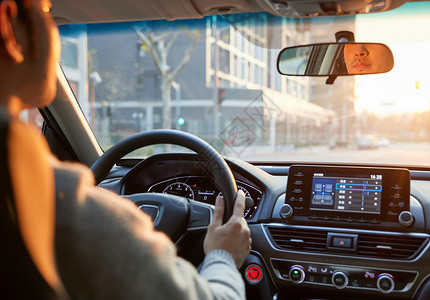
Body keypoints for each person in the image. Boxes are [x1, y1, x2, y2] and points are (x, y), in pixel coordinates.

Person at [0, 0, 251, 299]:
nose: (52, 25)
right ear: (8, 26)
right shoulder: (62, 208)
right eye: (45, 8)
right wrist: (222, 255)